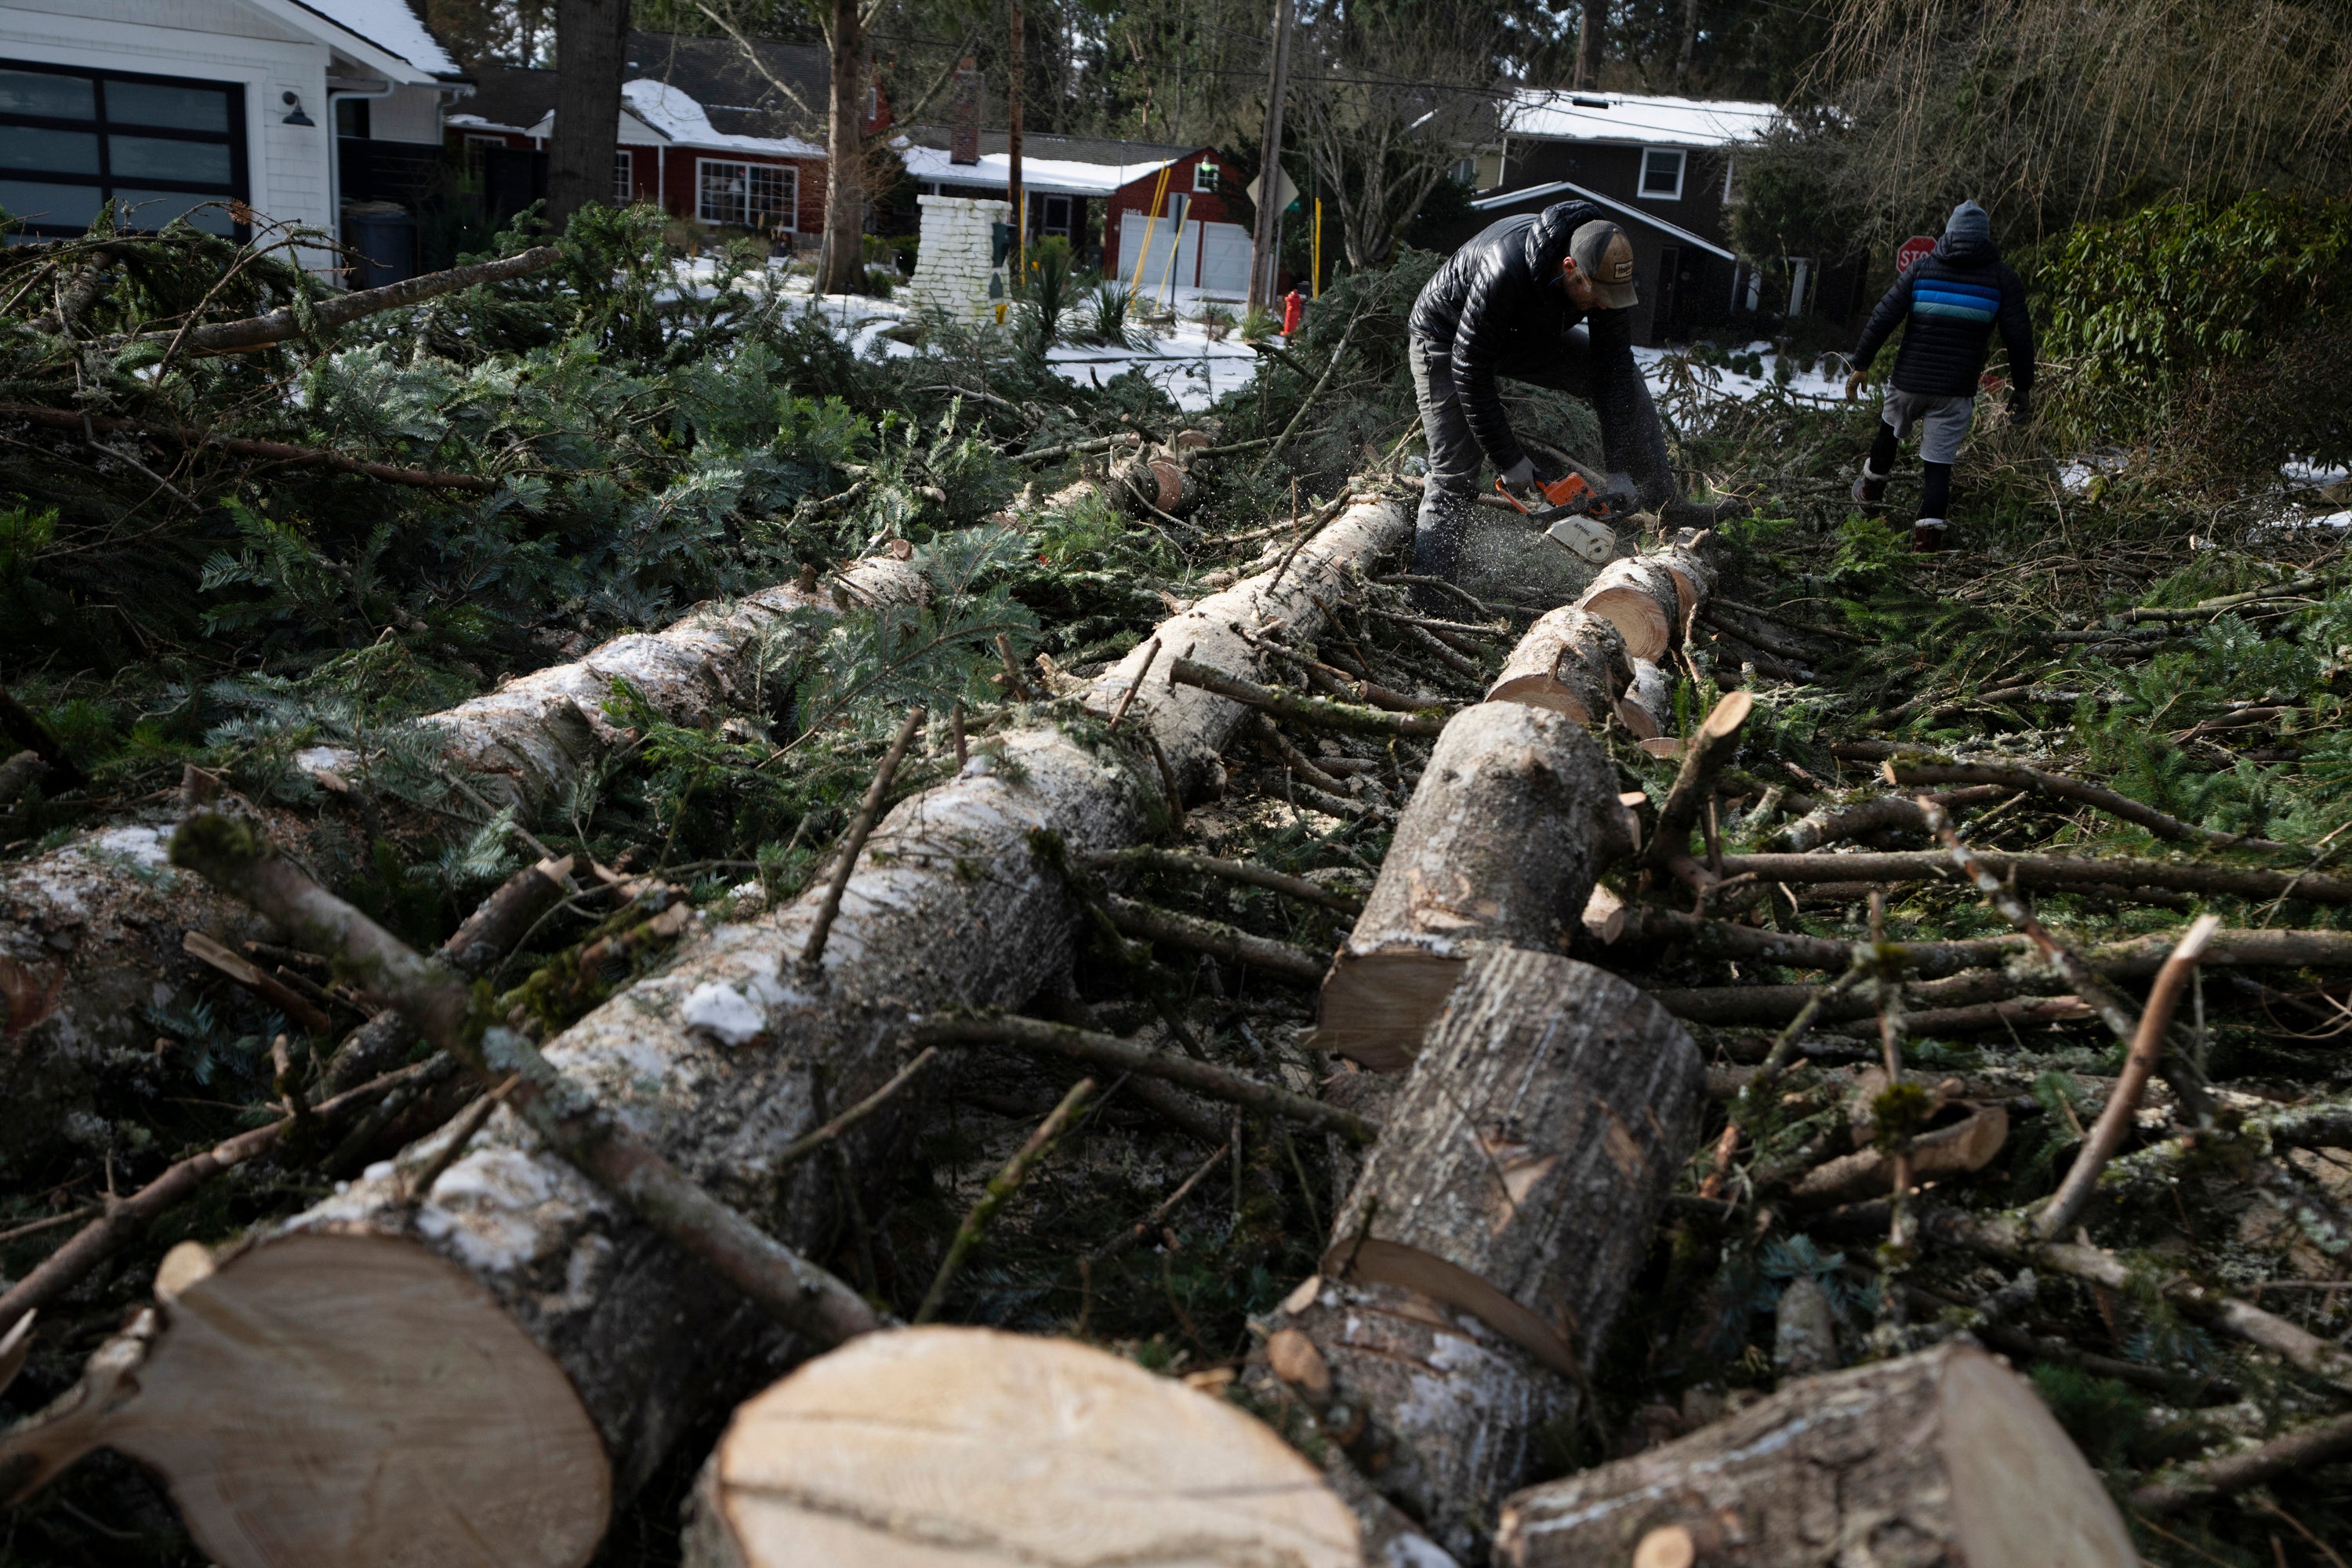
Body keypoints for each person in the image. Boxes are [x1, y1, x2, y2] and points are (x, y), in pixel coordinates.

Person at [1406, 201, 1674, 583]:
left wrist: (1619, 467)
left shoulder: (1604, 275)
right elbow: (1469, 367)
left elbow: (1613, 371)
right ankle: (1427, 593)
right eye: (1596, 296)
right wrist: (1508, 459)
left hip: (1524, 334)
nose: (1602, 306)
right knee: (1455, 472)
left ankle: (1663, 501)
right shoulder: (1505, 267)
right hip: (1447, 338)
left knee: (1626, 376)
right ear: (1570, 269)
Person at [1845, 199, 2036, 552]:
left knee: (1889, 429)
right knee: (1938, 467)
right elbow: (2019, 337)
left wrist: (1861, 364)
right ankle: (1926, 550)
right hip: (1955, 390)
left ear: (1948, 234)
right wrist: (2022, 387)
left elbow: (1883, 316)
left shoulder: (1922, 269)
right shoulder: (2001, 278)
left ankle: (1869, 494)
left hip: (1908, 383)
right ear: (1984, 239)